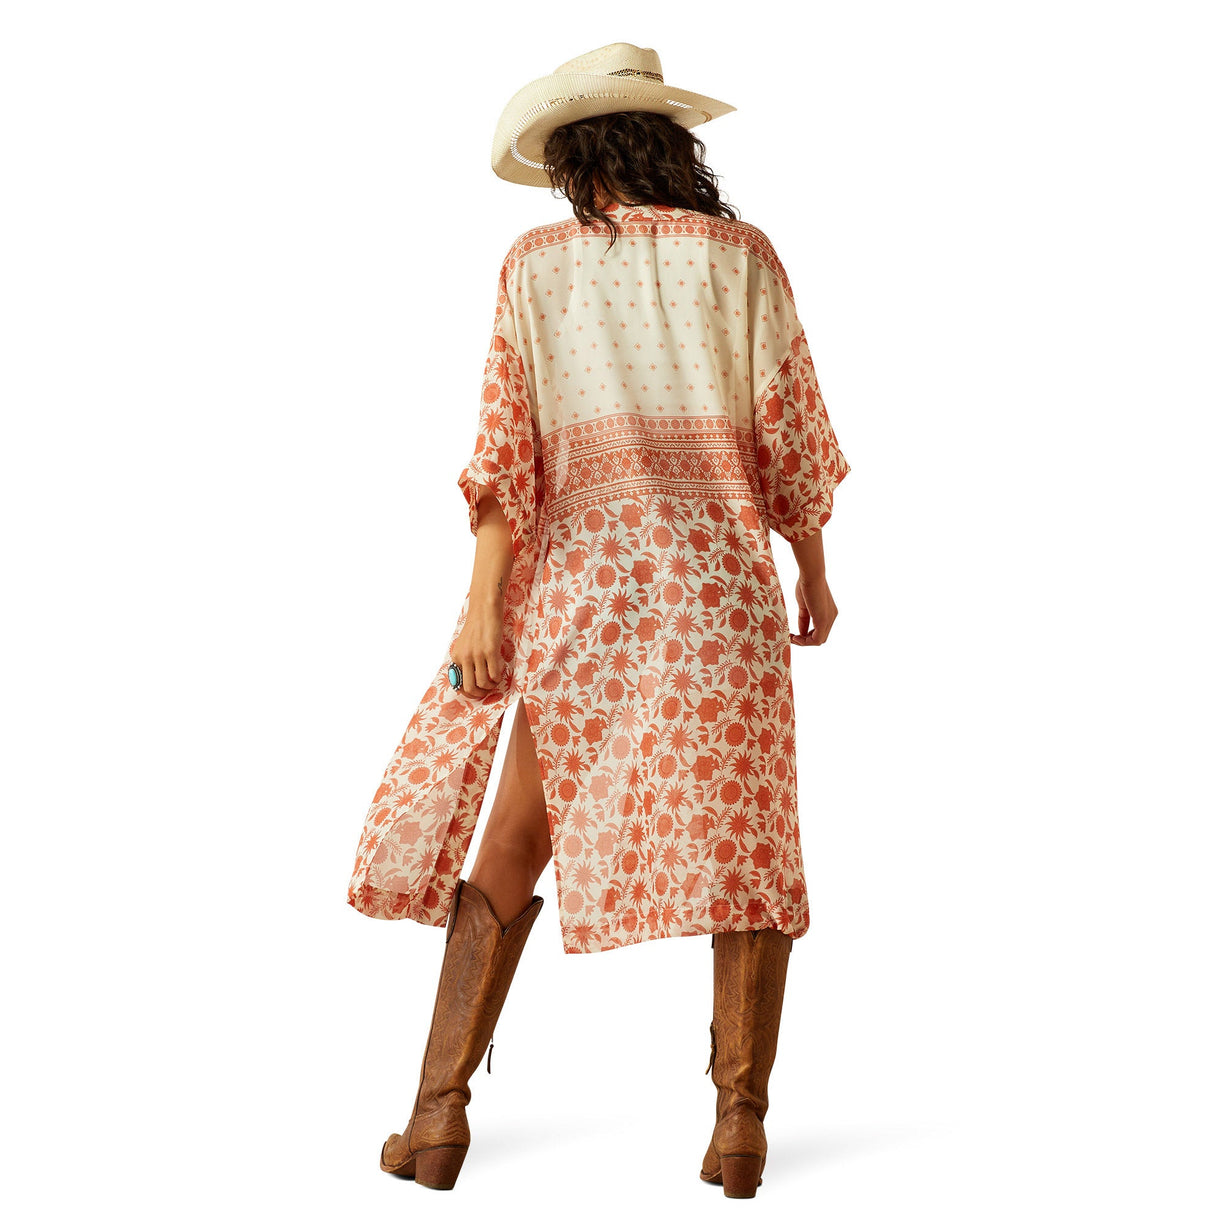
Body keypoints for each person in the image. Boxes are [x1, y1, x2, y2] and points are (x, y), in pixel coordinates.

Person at [346, 42, 851, 1198]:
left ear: (575, 160)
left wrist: (483, 609)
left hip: (586, 593)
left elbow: (504, 464)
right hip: (720, 594)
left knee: (515, 839)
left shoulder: (533, 267)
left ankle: (435, 1122)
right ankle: (739, 1129)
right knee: (749, 851)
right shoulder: (743, 258)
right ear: (669, 147)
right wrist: (813, 571)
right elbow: (795, 436)